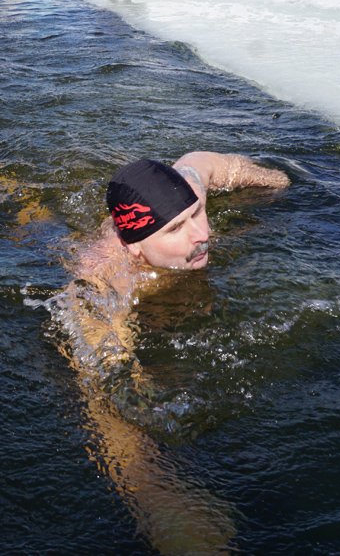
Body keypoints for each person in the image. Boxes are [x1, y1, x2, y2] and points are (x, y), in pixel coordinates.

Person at [58, 152, 289, 553]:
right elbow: (104, 399)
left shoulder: (186, 192)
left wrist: (273, 180)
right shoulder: (103, 283)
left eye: (197, 214)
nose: (201, 234)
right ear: (133, 248)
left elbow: (200, 165)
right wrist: (159, 497)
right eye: (176, 228)